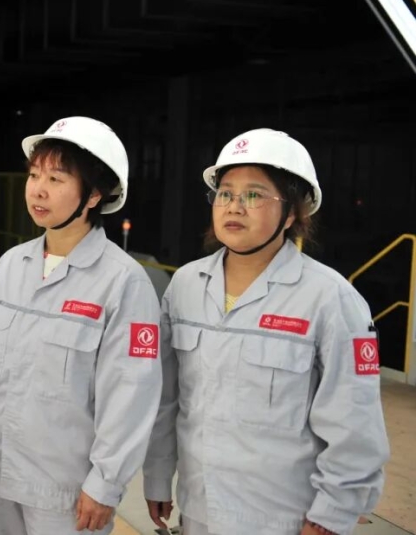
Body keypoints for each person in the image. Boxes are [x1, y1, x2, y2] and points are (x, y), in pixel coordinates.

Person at [142, 128, 390, 535]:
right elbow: (167, 398)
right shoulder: (185, 286)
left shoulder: (329, 298)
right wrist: (156, 475)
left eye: (254, 195)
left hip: (284, 520)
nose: (234, 206)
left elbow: (354, 422)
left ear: (292, 213)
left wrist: (333, 513)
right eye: (225, 193)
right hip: (199, 509)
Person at [0, 117, 163, 534]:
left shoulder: (122, 282)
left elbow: (130, 395)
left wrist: (105, 484)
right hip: (1, 476)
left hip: (69, 493)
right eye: (34, 175)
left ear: (94, 194)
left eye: (56, 178)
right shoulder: (9, 268)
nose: (38, 189)